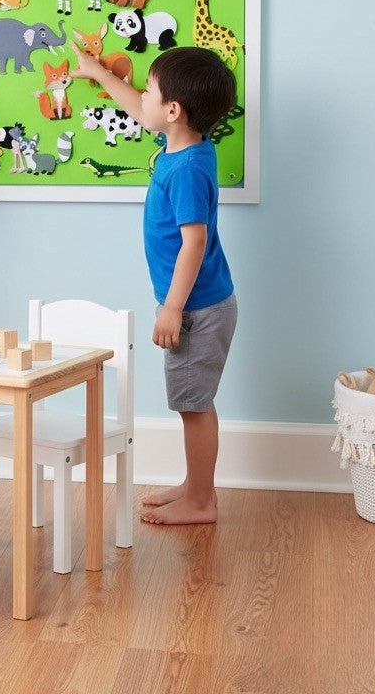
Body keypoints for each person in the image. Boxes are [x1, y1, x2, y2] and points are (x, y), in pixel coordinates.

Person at [70, 43, 237, 525]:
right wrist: (99, 74)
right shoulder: (184, 146)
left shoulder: (186, 170)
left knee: (194, 406)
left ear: (173, 110)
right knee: (193, 403)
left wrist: (172, 309)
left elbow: (194, 242)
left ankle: (201, 501)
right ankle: (196, 484)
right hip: (199, 304)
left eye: (150, 90)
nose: (141, 96)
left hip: (196, 310)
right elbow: (140, 111)